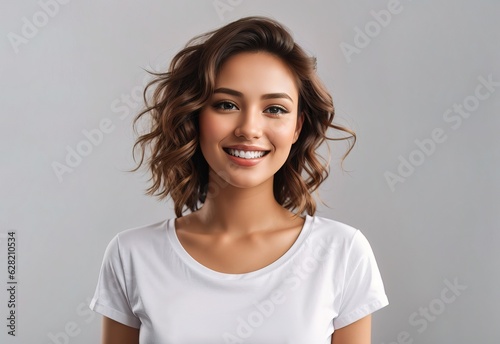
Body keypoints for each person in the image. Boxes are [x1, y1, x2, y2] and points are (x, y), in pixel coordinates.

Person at [89, 16, 389, 344]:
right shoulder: (131, 255)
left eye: (274, 109)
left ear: (297, 127)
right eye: (226, 104)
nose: (249, 128)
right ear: (195, 117)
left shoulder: (342, 253)